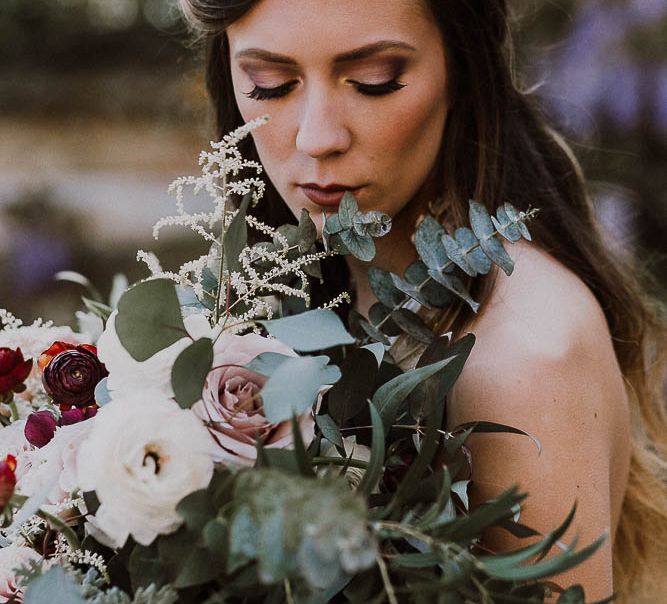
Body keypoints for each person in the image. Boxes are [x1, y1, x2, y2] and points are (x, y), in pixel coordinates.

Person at [179, 0, 667, 601]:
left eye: (373, 81)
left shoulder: (525, 362)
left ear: (462, 70)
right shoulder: (292, 288)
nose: (317, 137)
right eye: (270, 85)